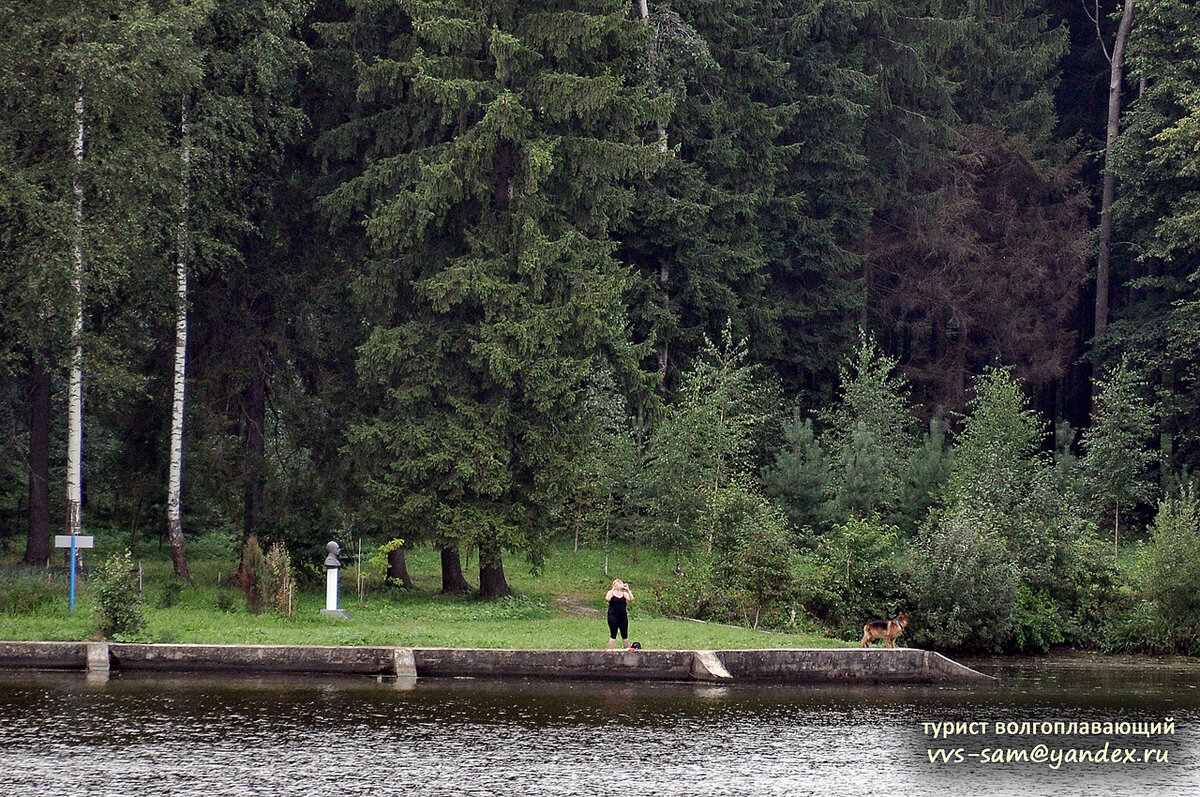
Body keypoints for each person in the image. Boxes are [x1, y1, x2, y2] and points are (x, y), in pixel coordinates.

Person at [605, 579, 634, 650]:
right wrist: (613, 589)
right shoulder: (610, 593)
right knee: (613, 634)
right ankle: (611, 651)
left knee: (624, 634)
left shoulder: (623, 594)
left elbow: (631, 598)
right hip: (613, 616)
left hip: (623, 616)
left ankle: (626, 649)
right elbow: (607, 598)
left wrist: (628, 590)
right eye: (617, 584)